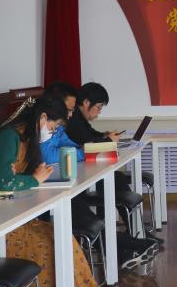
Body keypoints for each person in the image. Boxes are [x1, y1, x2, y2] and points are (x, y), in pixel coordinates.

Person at [0, 95, 124, 287]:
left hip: (15, 217)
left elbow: (21, 178)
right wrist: (34, 180)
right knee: (47, 247)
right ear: (43, 118)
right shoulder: (7, 137)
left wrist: (31, 179)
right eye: (53, 127)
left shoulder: (26, 138)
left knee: (64, 240)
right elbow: (4, 182)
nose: (52, 132)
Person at [65, 82, 158, 265]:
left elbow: (88, 137)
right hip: (78, 177)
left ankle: (134, 238)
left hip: (84, 172)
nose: (69, 114)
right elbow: (84, 143)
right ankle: (132, 241)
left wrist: (105, 137)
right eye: (98, 108)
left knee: (116, 178)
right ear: (86, 102)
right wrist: (106, 140)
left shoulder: (78, 120)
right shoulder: (73, 120)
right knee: (112, 181)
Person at [38, 81, 83, 165]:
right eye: (68, 110)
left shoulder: (58, 125)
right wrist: (81, 154)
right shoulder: (43, 122)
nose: (70, 114)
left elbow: (63, 141)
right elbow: (47, 157)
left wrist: (81, 148)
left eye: (72, 110)